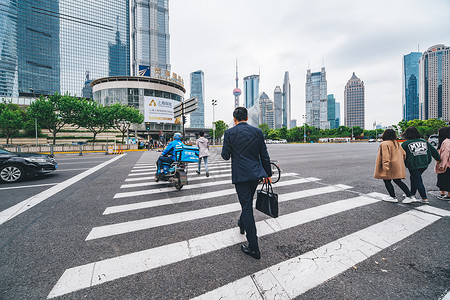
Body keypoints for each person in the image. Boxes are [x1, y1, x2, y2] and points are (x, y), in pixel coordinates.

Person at [221, 107, 272, 260]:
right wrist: (267, 174)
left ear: (234, 119)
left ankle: (254, 248)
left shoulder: (229, 133)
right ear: (247, 117)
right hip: (255, 174)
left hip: (241, 175)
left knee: (246, 207)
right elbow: (264, 155)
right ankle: (241, 224)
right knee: (247, 203)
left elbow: (225, 156)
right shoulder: (257, 132)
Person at [401, 127, 440, 204]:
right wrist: (438, 159)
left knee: (418, 180)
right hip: (424, 164)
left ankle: (424, 198)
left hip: (413, 165)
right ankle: (412, 194)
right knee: (414, 178)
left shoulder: (406, 143)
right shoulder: (424, 141)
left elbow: (400, 155)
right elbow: (434, 151)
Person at [374, 129, 413, 203]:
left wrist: (385, 166)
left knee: (386, 180)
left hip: (389, 165)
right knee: (398, 180)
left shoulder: (384, 143)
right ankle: (409, 195)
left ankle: (392, 196)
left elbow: (386, 156)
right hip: (397, 165)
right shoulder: (396, 143)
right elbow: (404, 154)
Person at [435, 126, 450, 200]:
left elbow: (445, 154)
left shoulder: (446, 141)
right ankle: (443, 193)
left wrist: (442, 165)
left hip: (447, 165)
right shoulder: (446, 141)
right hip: (447, 164)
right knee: (443, 178)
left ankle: (447, 195)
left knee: (445, 179)